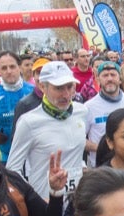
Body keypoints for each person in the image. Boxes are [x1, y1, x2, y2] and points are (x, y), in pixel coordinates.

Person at [8, 61, 90, 207]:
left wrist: (81, 168)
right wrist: (33, 199)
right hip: (45, 203)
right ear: (42, 87)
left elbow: (75, 151)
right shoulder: (29, 122)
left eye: (69, 86)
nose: (66, 94)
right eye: (58, 88)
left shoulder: (81, 112)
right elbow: (12, 170)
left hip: (77, 202)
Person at [0, 52, 35, 162]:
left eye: (12, 67)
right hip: (6, 159)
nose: (9, 71)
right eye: (4, 68)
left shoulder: (34, 92)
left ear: (19, 67)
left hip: (34, 157)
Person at [85, 60, 124, 159]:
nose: (109, 79)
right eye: (105, 75)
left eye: (113, 75)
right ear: (98, 79)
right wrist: (102, 149)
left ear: (120, 79)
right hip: (102, 164)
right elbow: (80, 140)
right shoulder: (89, 107)